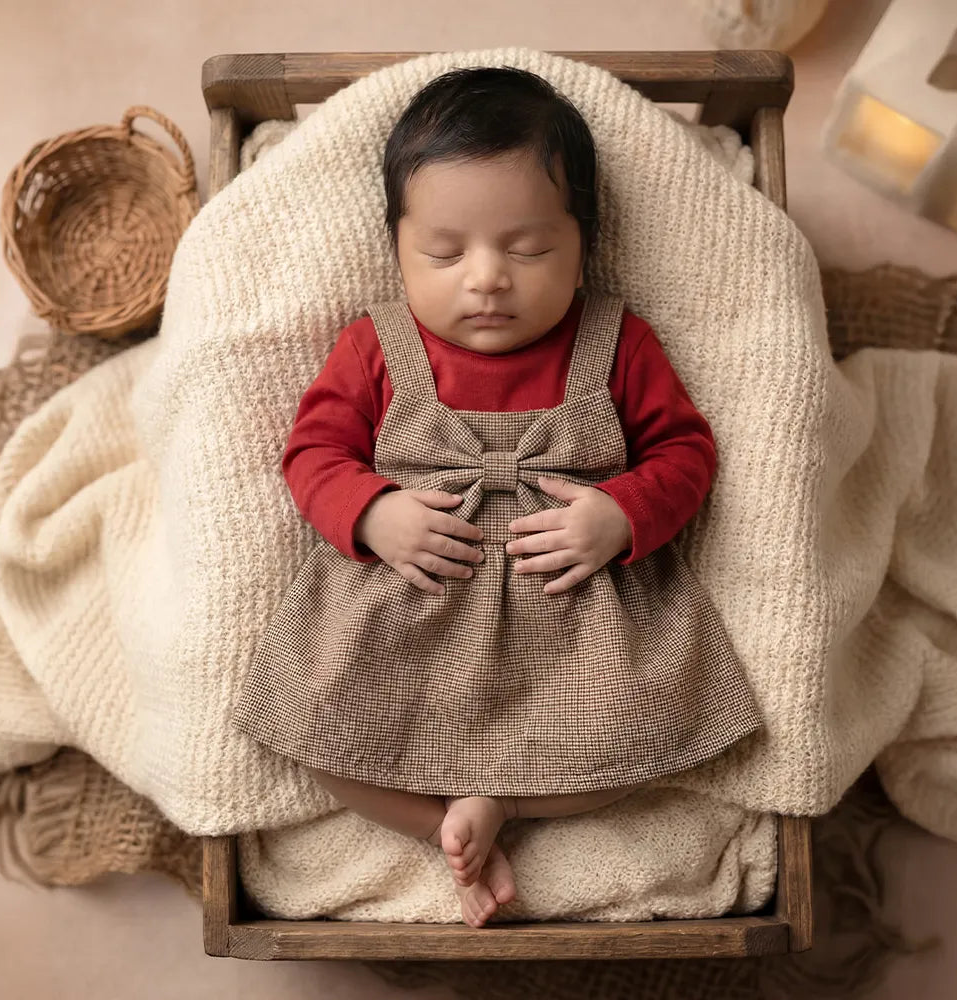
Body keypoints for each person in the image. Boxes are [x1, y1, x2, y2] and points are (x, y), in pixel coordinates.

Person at [232, 66, 762, 929]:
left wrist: (621, 512)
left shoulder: (615, 340)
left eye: (528, 249)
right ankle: (442, 820)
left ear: (583, 242)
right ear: (397, 246)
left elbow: (685, 453)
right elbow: (314, 453)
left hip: (574, 619)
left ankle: (503, 806)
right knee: (312, 736)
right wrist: (371, 510)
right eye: (444, 252)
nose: (486, 279)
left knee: (664, 731)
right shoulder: (376, 344)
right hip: (412, 609)